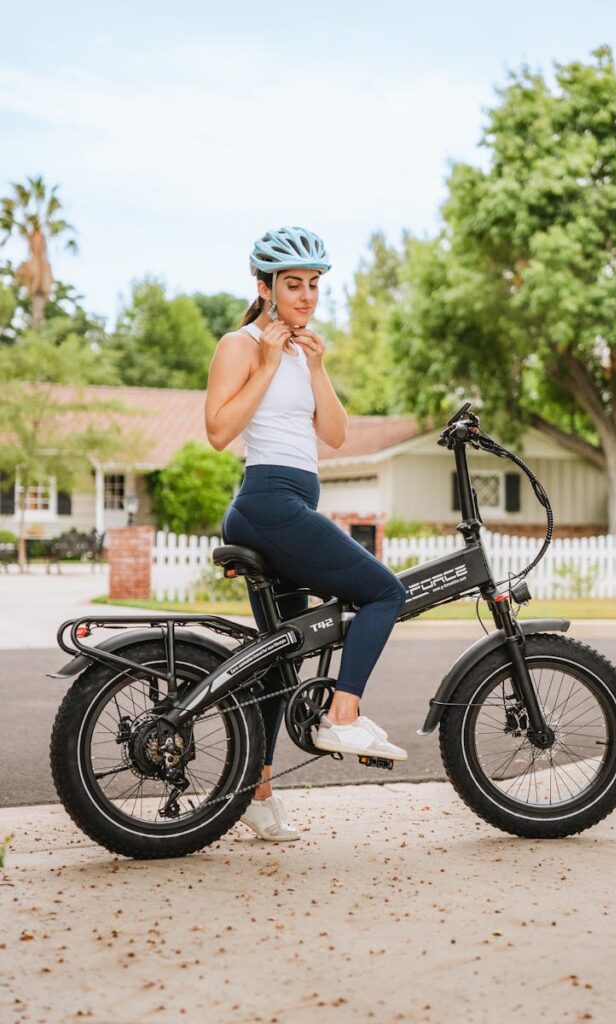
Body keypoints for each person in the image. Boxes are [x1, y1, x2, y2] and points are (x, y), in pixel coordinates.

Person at [205, 226, 407, 841]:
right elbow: (218, 430)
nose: (306, 296)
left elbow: (337, 436)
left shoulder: (303, 350)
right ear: (263, 286)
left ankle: (257, 795)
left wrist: (316, 367)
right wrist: (267, 362)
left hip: (290, 501)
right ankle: (343, 716)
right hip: (268, 503)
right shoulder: (240, 345)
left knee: (279, 660)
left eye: (314, 285)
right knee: (384, 592)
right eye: (294, 285)